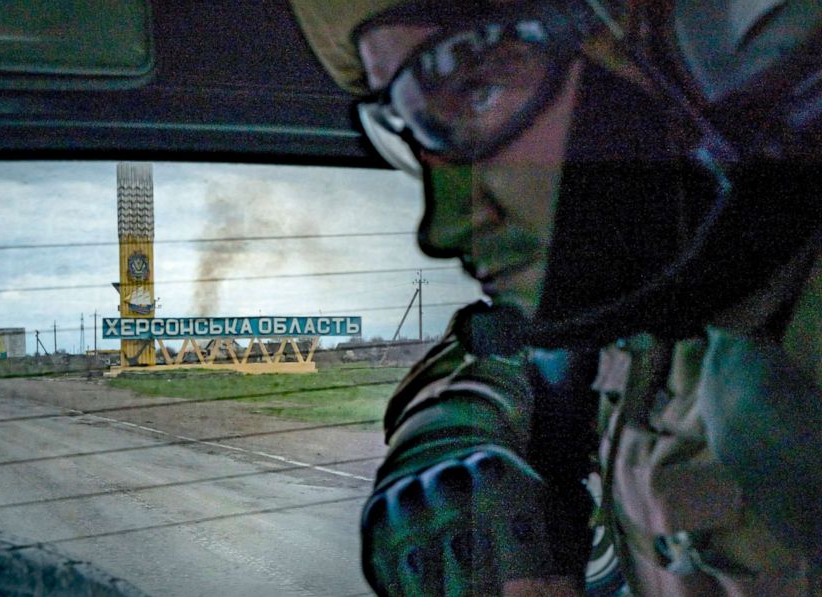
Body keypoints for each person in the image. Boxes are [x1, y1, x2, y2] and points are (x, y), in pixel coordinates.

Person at [289, 1, 822, 595]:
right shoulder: (651, 293)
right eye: (412, 132)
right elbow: (505, 348)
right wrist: (450, 440)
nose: (444, 226)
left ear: (708, 38)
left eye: (474, 84)